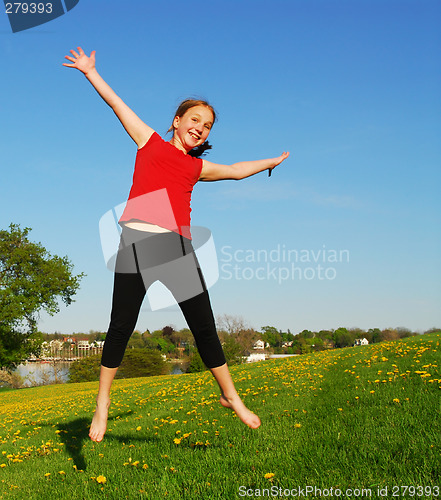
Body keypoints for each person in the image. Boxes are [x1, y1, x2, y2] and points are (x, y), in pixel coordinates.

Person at [63, 47, 289, 442]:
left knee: (205, 328)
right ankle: (102, 403)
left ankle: (231, 396)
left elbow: (236, 171)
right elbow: (116, 103)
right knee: (120, 326)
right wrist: (90, 72)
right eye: (195, 119)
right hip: (135, 245)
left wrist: (267, 163)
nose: (201, 128)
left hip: (177, 249)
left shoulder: (197, 167)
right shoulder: (148, 141)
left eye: (208, 125)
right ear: (177, 121)